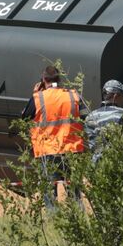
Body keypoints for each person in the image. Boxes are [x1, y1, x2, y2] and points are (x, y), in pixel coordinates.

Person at [20, 64, 86, 206]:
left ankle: (52, 222)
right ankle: (79, 222)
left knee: (49, 193)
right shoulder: (73, 95)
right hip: (72, 150)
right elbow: (86, 117)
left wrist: (35, 93)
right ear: (59, 79)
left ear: (43, 79)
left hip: (48, 151)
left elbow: (24, 117)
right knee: (74, 192)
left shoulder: (38, 98)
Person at [85, 79, 123, 161]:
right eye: (122, 95)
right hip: (118, 164)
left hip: (96, 165)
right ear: (115, 96)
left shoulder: (90, 116)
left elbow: (88, 143)